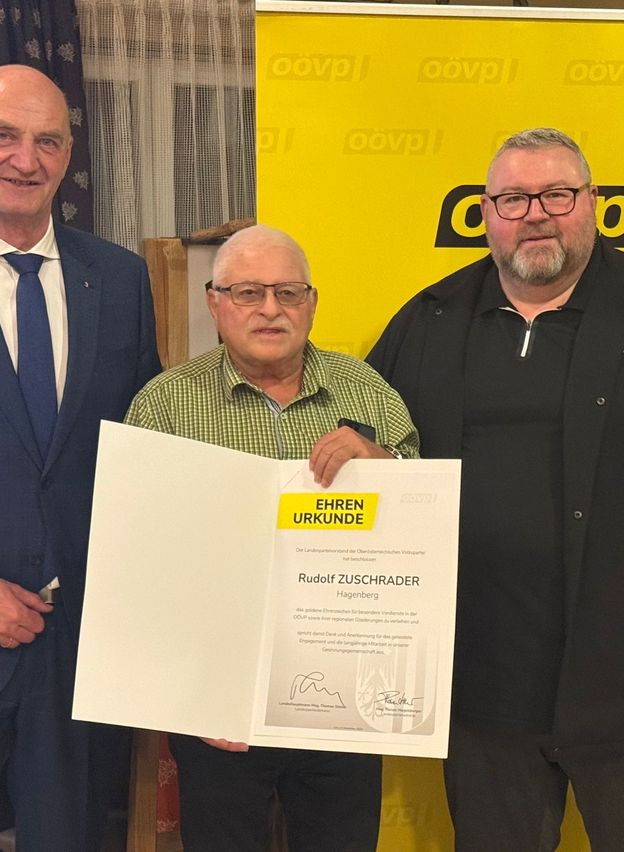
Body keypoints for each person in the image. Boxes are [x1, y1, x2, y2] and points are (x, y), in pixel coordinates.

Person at [367, 127, 624, 852]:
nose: (535, 214)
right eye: (513, 198)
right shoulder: (428, 320)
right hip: (481, 680)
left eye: (557, 194)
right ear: (484, 212)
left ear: (595, 205)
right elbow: (369, 470)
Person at [124, 223, 419, 852]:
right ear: (214, 302)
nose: (269, 310)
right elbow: (144, 566)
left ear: (312, 302)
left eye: (288, 293)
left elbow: (425, 532)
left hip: (346, 699)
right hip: (222, 705)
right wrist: (191, 697)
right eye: (248, 292)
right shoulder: (165, 406)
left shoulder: (368, 392)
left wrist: (382, 464)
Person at [0, 65, 160, 850]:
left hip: (82, 643)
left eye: (48, 141)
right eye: (5, 135)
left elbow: (149, 439)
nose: (25, 159)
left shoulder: (122, 279)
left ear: (68, 156)